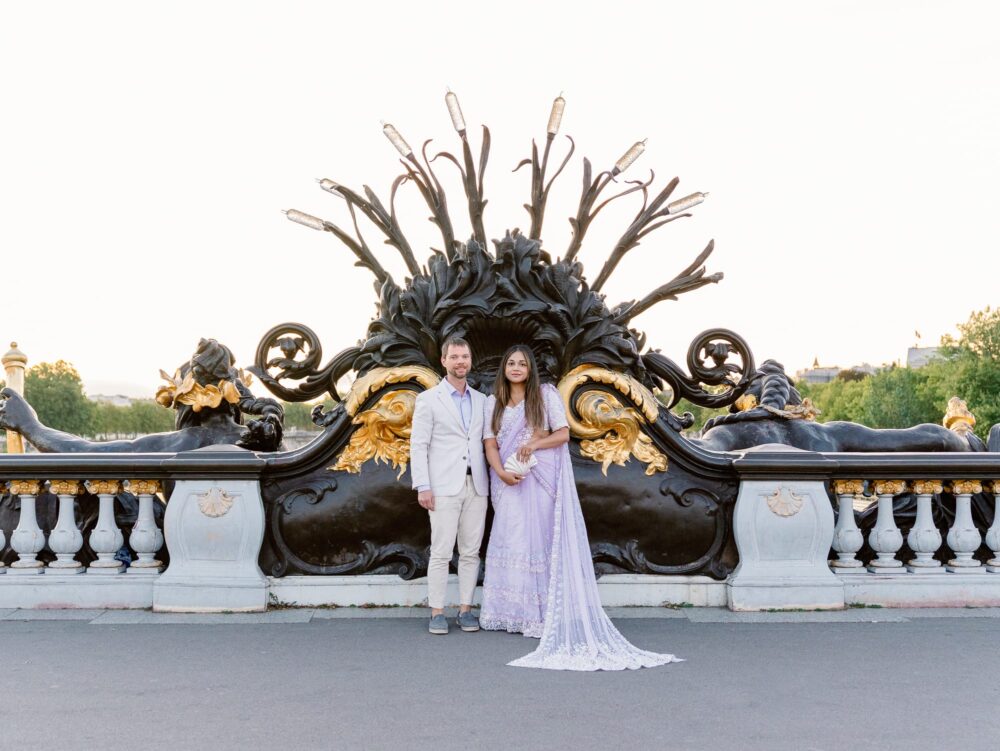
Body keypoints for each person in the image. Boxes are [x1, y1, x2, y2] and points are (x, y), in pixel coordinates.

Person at [480, 345, 682, 671]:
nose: (516, 368)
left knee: (540, 539)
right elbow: (490, 444)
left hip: (540, 475)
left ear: (530, 369)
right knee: (512, 537)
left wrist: (533, 443)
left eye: (522, 363)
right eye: (511, 363)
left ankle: (544, 612)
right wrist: (502, 472)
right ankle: (512, 612)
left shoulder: (544, 395)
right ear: (504, 368)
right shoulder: (493, 403)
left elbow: (562, 434)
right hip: (507, 478)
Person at [409, 337, 490, 635]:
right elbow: (418, 446)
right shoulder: (429, 400)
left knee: (471, 551)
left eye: (465, 357)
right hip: (442, 487)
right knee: (442, 551)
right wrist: (423, 486)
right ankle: (438, 612)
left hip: (477, 485)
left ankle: (466, 610)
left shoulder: (482, 401)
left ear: (470, 361)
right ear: (443, 361)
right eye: (454, 356)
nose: (460, 362)